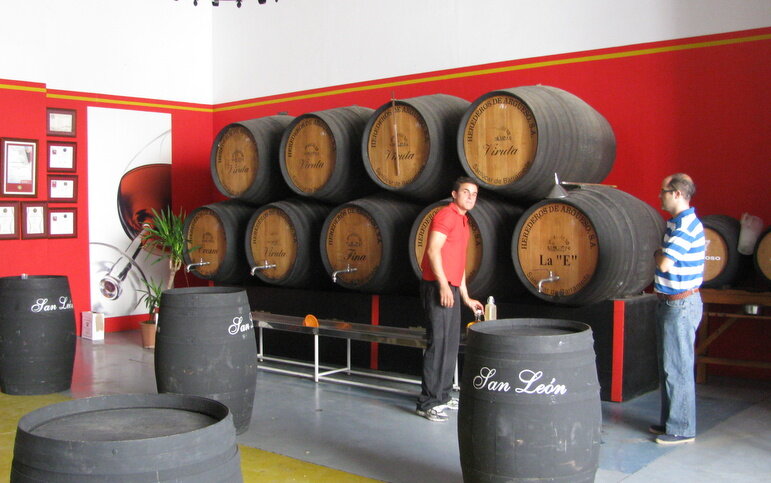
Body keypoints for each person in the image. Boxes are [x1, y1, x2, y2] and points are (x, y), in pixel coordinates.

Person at [417, 176, 484, 422]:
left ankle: (442, 396)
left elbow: (458, 262)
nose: (470, 197)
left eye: (474, 194)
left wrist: (465, 296)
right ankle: (428, 403)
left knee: (450, 344)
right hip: (438, 285)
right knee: (439, 343)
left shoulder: (463, 221)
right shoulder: (446, 215)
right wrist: (444, 285)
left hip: (451, 287)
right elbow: (433, 250)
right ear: (454, 194)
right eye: (466, 192)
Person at [651, 173, 705, 445]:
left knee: (678, 367)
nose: (659, 195)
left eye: (663, 191)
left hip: (680, 304)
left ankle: (682, 429)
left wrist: (656, 253)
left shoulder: (685, 226)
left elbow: (664, 263)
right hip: (671, 302)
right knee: (668, 365)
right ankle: (670, 421)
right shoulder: (675, 223)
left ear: (677, 194)